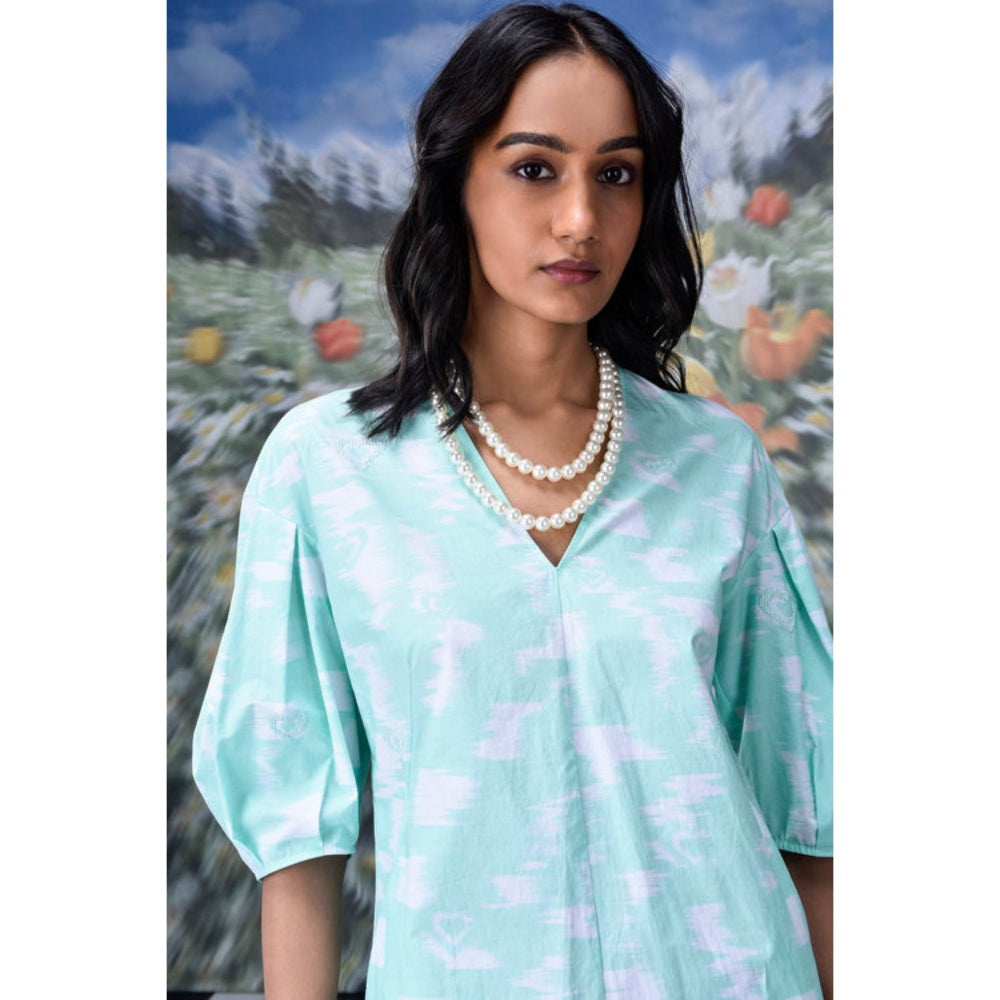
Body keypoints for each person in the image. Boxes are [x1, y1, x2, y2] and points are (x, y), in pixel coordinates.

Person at [192, 4, 834, 999]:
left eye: (616, 174)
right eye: (535, 168)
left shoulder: (718, 464)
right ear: (455, 181)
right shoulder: (326, 469)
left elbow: (811, 814)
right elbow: (296, 832)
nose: (580, 218)